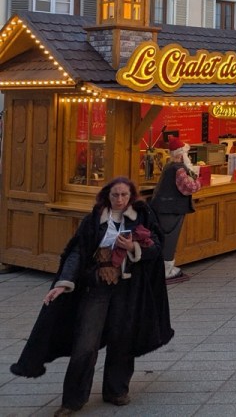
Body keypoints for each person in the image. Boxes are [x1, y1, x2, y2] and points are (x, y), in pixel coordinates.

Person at [10, 177, 173, 415]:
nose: (119, 200)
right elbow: (76, 252)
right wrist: (63, 284)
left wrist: (133, 248)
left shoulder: (142, 217)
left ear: (131, 197)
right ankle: (72, 400)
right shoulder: (93, 221)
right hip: (97, 287)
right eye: (115, 195)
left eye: (124, 195)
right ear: (107, 195)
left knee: (122, 339)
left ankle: (116, 391)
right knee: (85, 343)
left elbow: (156, 248)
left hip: (127, 289)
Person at [150, 137, 199, 280]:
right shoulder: (179, 169)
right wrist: (198, 182)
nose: (187, 157)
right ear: (180, 154)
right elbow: (188, 188)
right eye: (186, 154)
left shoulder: (168, 166)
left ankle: (162, 268)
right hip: (172, 209)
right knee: (170, 239)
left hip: (162, 207)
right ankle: (166, 270)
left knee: (163, 238)